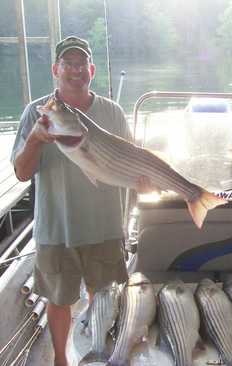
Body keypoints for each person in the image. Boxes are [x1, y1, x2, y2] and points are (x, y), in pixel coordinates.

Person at [11, 36, 150, 366]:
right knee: (58, 301)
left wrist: (144, 183)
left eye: (80, 64)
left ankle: (103, 356)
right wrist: (34, 140)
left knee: (106, 300)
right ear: (56, 69)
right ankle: (60, 359)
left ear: (91, 70)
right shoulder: (37, 112)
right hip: (56, 230)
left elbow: (130, 161)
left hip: (104, 227)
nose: (74, 70)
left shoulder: (112, 112)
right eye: (67, 64)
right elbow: (20, 172)